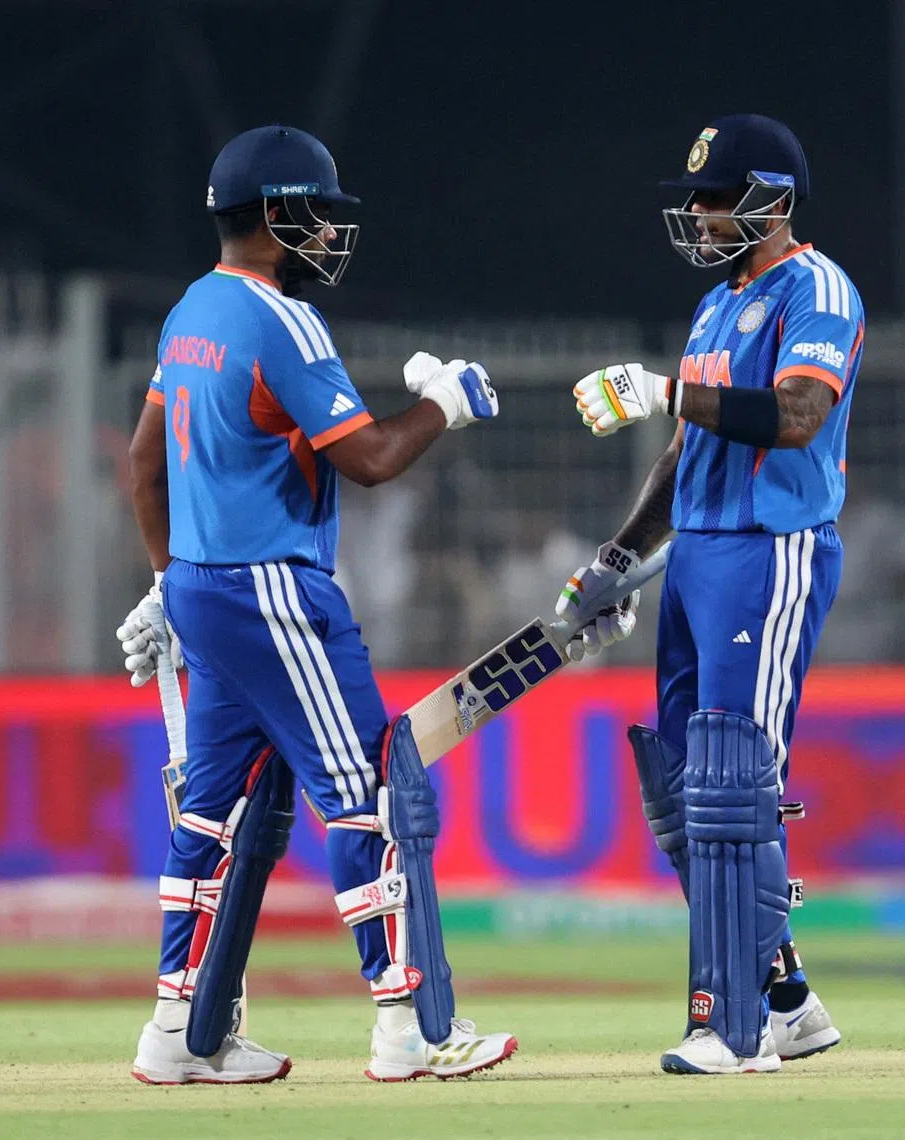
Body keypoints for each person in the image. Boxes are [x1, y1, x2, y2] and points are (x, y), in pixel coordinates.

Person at [115, 124, 516, 1085]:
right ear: (273, 214)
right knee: (371, 798)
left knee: (205, 820)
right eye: (319, 214)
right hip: (276, 593)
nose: (331, 233)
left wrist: (173, 582)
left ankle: (175, 1036)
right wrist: (448, 404)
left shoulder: (188, 312)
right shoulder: (281, 320)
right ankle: (404, 1028)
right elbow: (370, 461)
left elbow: (141, 463)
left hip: (210, 591)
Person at [557, 114, 862, 1075]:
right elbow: (687, 449)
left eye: (716, 196)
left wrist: (661, 390)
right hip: (697, 554)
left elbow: (800, 415)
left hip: (771, 554)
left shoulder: (817, 288)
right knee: (688, 795)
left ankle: (730, 1026)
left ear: (770, 199)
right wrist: (615, 556)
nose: (697, 212)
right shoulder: (715, 306)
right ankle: (787, 1000)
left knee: (737, 785)